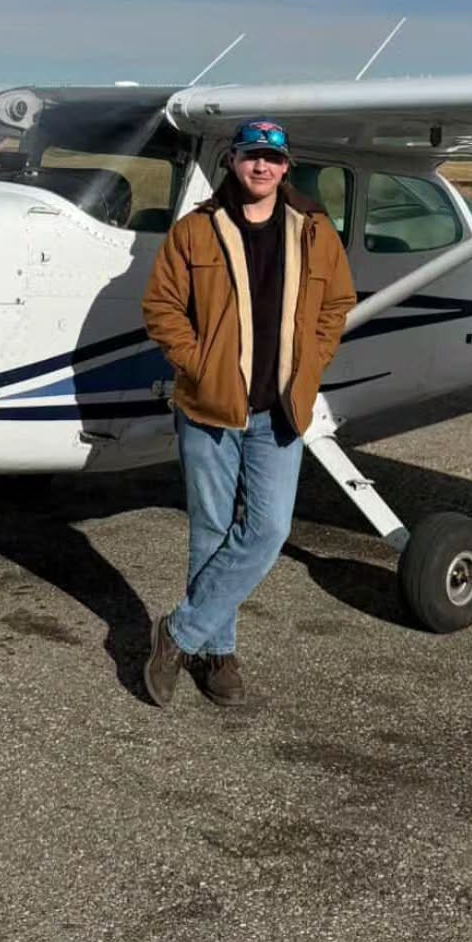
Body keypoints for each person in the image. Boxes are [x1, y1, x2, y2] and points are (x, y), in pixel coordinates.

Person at [140, 119, 356, 707]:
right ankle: (218, 653)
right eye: (251, 155)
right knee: (211, 532)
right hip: (209, 407)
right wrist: (197, 364)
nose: (262, 166)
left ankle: (178, 633)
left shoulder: (313, 230)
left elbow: (337, 303)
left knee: (269, 530)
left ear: (286, 168)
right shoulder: (196, 229)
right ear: (233, 162)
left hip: (279, 410)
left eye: (272, 158)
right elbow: (161, 305)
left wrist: (311, 362)